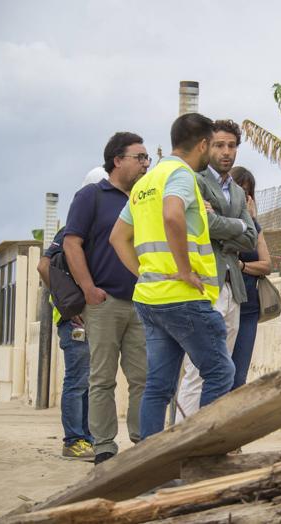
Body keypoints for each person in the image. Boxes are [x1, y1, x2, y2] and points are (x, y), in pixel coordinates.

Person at [110, 112, 235, 439]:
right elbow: (172, 214)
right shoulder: (182, 175)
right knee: (221, 372)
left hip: (151, 300)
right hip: (183, 297)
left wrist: (145, 273)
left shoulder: (144, 184)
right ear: (204, 144)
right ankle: (202, 450)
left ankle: (148, 462)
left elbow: (117, 238)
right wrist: (182, 269)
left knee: (158, 386)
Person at [63, 132, 149, 464]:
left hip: (142, 303)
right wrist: (88, 289)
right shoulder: (92, 196)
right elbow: (72, 242)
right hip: (103, 302)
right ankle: (104, 447)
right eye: (139, 157)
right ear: (117, 160)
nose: (145, 164)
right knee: (101, 378)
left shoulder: (144, 197)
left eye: (146, 159)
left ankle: (143, 444)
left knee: (143, 377)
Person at [174, 120, 256, 420]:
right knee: (198, 369)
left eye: (231, 146)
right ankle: (181, 439)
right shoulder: (195, 182)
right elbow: (203, 226)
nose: (226, 152)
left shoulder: (235, 190)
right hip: (203, 284)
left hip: (232, 287)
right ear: (207, 146)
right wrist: (236, 225)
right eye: (219, 145)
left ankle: (210, 438)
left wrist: (226, 224)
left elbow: (251, 237)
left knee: (225, 369)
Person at [36, 229, 94, 459]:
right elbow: (43, 267)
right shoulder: (71, 232)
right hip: (75, 320)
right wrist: (69, 307)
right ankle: (73, 441)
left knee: (89, 383)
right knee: (78, 382)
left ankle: (87, 439)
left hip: (92, 317)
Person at [229, 166, 272, 389]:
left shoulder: (256, 227)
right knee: (220, 375)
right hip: (224, 304)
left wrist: (242, 265)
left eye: (248, 193)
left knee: (238, 379)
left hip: (248, 309)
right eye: (239, 191)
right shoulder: (220, 221)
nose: (244, 198)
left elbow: (266, 265)